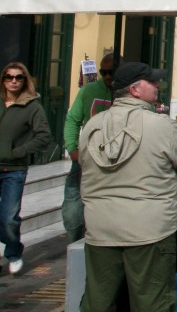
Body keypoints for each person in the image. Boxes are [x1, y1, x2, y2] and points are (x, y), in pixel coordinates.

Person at [79, 62, 177, 310]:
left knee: (98, 302)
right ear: (135, 89)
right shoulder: (161, 125)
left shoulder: (92, 126)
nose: (158, 86)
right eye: (152, 82)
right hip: (149, 231)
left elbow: (84, 164)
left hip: (100, 229)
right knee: (152, 302)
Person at [0, 62, 51, 275]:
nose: (13, 81)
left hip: (14, 169)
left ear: (24, 80)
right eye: (9, 77)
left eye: (18, 77)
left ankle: (13, 252)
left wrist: (19, 151)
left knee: (8, 217)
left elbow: (44, 136)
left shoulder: (32, 106)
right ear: (3, 79)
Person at [62, 54, 115, 242]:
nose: (108, 76)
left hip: (116, 158)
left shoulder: (129, 92)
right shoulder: (88, 91)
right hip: (86, 157)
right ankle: (75, 239)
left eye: (112, 72)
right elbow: (73, 120)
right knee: (72, 202)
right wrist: (72, 149)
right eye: (104, 72)